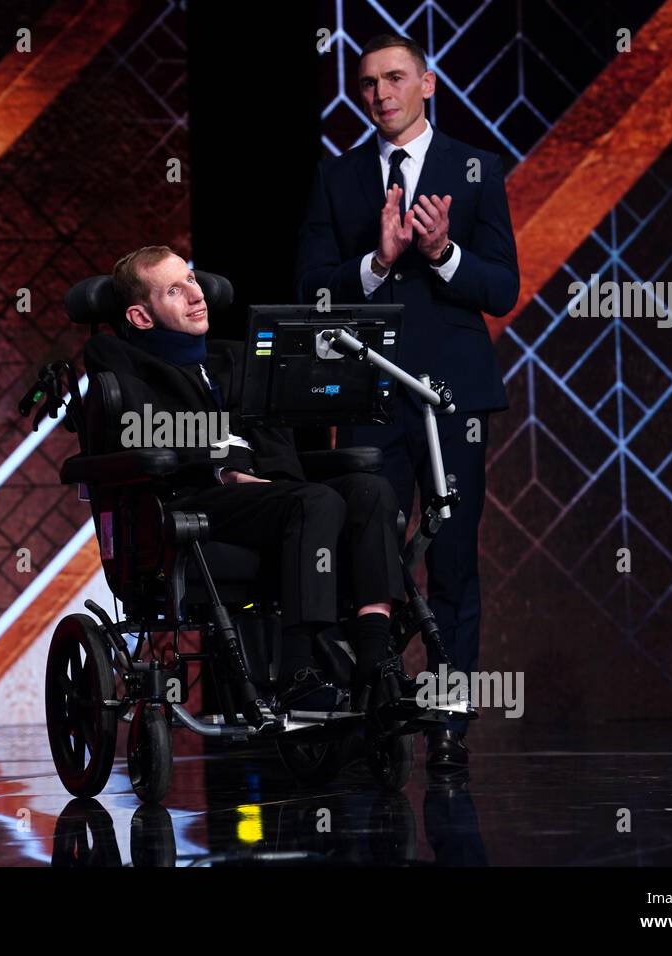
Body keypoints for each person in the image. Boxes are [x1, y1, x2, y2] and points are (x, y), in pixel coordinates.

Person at [296, 34, 519, 773]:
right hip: (369, 396)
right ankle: (379, 702)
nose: (380, 94)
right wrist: (379, 261)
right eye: (367, 84)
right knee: (373, 553)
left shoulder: (478, 168)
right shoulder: (338, 177)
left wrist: (442, 253)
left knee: (453, 554)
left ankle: (450, 708)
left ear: (427, 83)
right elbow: (313, 293)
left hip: (452, 396)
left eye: (395, 78)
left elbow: (501, 289)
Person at [86, 245, 409, 713]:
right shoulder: (118, 359)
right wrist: (231, 465)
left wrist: (265, 475)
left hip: (264, 496)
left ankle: (375, 660)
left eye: (193, 281)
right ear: (140, 315)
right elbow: (143, 425)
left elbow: (274, 436)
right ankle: (300, 672)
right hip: (188, 500)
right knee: (313, 502)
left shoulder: (234, 357)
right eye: (174, 290)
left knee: (370, 489)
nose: (196, 296)